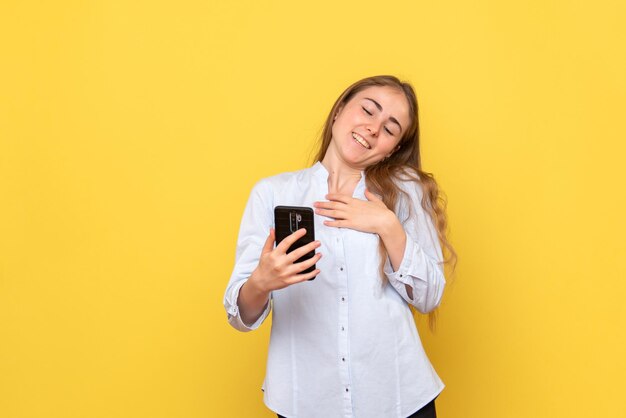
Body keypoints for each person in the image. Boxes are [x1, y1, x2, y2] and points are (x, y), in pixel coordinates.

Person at [223, 75, 457, 418]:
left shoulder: (406, 192)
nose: (374, 128)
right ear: (339, 111)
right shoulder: (273, 193)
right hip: (306, 401)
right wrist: (262, 280)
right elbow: (239, 315)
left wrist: (387, 225)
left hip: (398, 398)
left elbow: (429, 296)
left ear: (392, 148)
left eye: (390, 129)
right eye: (368, 110)